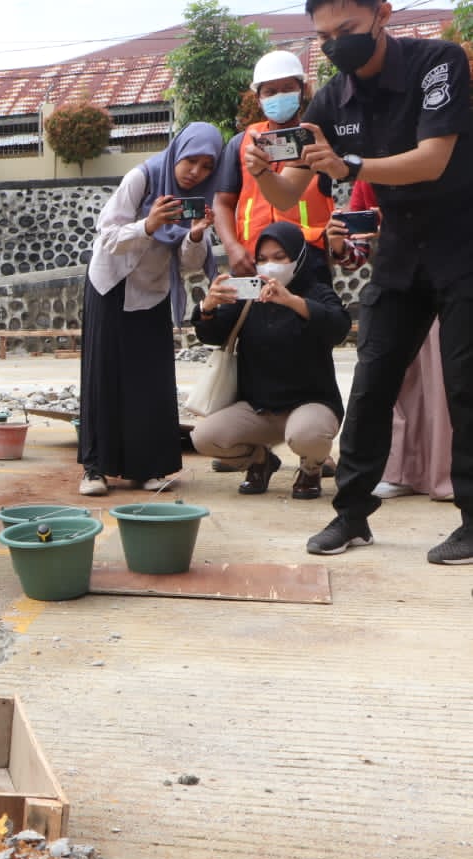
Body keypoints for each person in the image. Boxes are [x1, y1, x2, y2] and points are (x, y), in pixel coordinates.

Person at [252, 0, 473, 561]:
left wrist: (349, 166)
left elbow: (433, 160)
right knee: (372, 382)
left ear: (383, 15)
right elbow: (289, 194)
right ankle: (351, 516)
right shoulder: (329, 100)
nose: (336, 45)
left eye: (347, 30)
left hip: (463, 244)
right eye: (324, 37)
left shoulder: (438, 63)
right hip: (400, 254)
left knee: (465, 383)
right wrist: (263, 172)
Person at [75, 122, 222, 498]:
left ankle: (150, 467)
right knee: (103, 374)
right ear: (178, 153)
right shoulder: (141, 178)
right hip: (110, 284)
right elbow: (107, 237)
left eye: (208, 166)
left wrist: (195, 233)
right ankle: (95, 469)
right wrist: (148, 224)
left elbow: (190, 263)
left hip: (153, 289)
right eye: (191, 161)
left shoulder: (203, 196)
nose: (197, 172)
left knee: (151, 379)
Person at [190, 221, 350, 499]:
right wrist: (207, 307)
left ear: (298, 258)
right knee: (203, 437)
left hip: (310, 404)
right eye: (262, 259)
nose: (269, 266)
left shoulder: (316, 291)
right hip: (258, 408)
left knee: (307, 436)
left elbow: (338, 327)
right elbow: (213, 334)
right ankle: (259, 462)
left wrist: (291, 301)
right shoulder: (249, 295)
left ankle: (311, 468)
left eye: (279, 257)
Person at [332, 182, 452, 502]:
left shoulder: (447, 154)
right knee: (395, 384)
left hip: (448, 283)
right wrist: (341, 246)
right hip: (396, 286)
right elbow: (356, 253)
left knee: (444, 381)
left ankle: (448, 475)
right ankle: (401, 471)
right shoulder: (368, 172)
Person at [212, 50, 336, 286]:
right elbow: (222, 202)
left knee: (310, 320)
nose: (279, 96)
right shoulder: (241, 144)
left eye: (288, 88)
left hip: (308, 257)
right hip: (253, 260)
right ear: (258, 97)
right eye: (270, 91)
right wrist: (232, 248)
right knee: (257, 322)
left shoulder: (318, 140)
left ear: (303, 90)